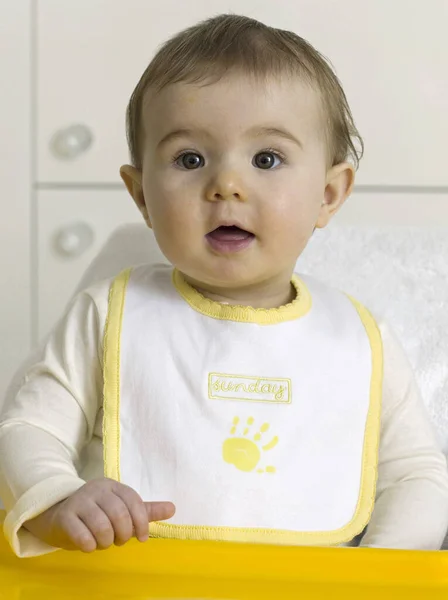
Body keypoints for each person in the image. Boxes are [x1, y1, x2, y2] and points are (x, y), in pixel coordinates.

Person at [1, 14, 448, 558]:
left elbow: (418, 477)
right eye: (190, 158)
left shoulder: (358, 338)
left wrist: (380, 572)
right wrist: (56, 495)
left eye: (267, 159)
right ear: (141, 194)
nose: (227, 185)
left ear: (329, 194)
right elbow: (25, 429)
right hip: (134, 586)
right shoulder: (108, 315)